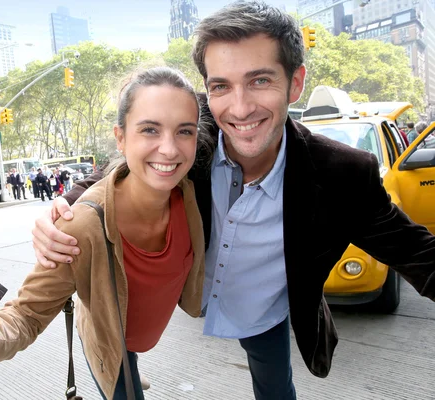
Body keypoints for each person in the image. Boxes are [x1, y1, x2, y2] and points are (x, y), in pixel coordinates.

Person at [31, 3, 435, 399]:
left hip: (261, 312)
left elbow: (420, 254)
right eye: (221, 85)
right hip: (164, 297)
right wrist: (68, 206)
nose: (239, 108)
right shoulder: (189, 133)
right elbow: (128, 160)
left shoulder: (342, 173)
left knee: (277, 390)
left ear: (296, 83)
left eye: (260, 81)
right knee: (121, 367)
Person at [0, 67, 209, 400]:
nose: (170, 149)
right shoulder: (82, 227)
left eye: (184, 131)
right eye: (149, 130)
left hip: (144, 333)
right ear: (120, 137)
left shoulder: (191, 192)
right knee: (123, 376)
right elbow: (26, 313)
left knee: (132, 357)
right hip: (106, 341)